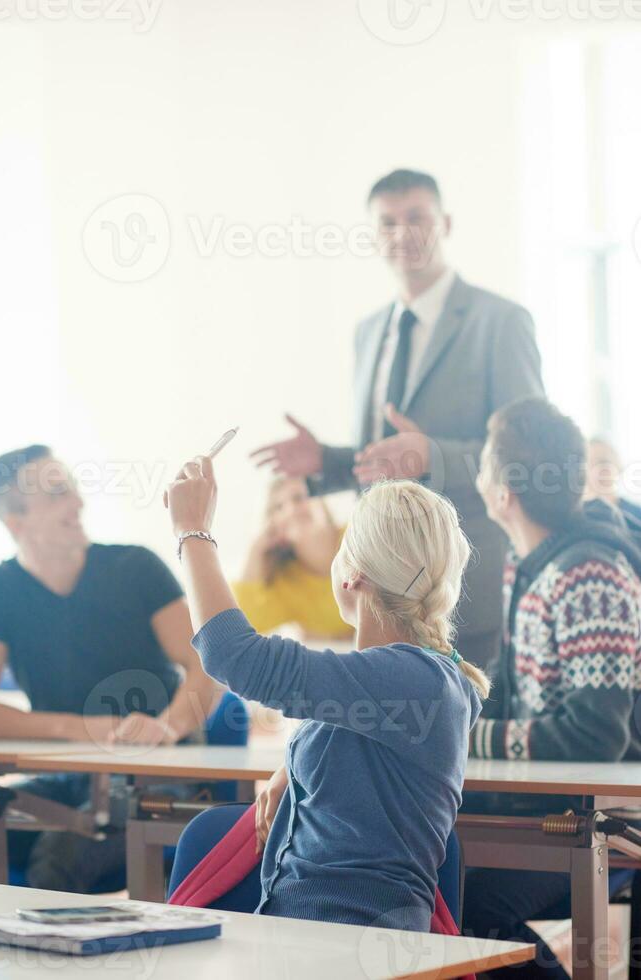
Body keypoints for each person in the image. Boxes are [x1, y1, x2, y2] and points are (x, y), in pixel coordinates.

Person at [166, 454, 488, 930]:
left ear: (352, 574)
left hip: (342, 946)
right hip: (304, 937)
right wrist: (293, 771)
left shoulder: (413, 679)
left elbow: (234, 655)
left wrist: (192, 532)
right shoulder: (419, 678)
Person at [252, 168, 545, 671]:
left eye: (416, 217)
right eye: (387, 223)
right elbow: (387, 460)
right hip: (379, 592)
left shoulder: (500, 322)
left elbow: (528, 455)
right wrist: (329, 461)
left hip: (464, 589)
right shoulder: (369, 332)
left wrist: (434, 456)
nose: (402, 233)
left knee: (463, 740)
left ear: (446, 223)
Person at [0, 444, 225, 890]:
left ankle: (54, 957)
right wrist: (79, 728)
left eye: (73, 489)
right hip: (68, 777)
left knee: (60, 855)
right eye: (57, 494)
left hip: (154, 777)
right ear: (15, 522)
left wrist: (167, 728)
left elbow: (208, 667)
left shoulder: (135, 567)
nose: (78, 503)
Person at [462, 398, 641, 979]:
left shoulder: (589, 573)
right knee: (433, 881)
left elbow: (595, 734)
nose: (479, 475)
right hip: (546, 808)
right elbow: (507, 693)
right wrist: (445, 709)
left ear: (503, 493)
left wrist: (471, 737)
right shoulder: (530, 565)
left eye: (486, 464)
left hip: (601, 823)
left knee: (464, 908)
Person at [233, 477, 352, 639]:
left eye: (299, 498)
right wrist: (256, 549)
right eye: (278, 507)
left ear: (320, 500)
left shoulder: (357, 533)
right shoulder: (286, 583)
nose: (292, 510)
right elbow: (244, 625)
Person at [585, 435, 641, 538]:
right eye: (589, 464)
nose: (597, 470)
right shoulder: (575, 519)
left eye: (603, 462)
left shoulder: (637, 515)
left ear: (619, 466)